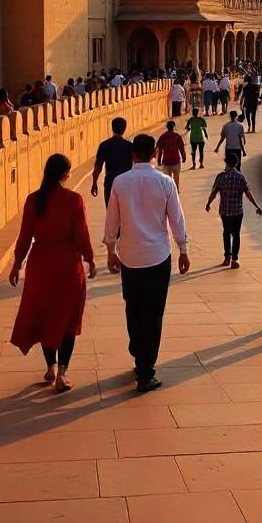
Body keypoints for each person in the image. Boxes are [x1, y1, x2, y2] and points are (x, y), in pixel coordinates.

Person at [103, 133, 190, 393]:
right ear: (154, 154)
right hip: (157, 257)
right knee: (153, 314)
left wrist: (110, 250)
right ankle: (145, 371)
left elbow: (111, 221)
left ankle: (138, 351)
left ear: (133, 155)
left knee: (133, 307)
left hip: (130, 256)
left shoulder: (120, 182)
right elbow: (177, 218)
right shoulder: (164, 182)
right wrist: (183, 249)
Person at [9, 153, 96, 393]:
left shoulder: (34, 200)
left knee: (45, 316)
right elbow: (81, 234)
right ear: (65, 174)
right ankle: (62, 374)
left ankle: (50, 366)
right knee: (67, 320)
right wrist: (90, 259)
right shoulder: (73, 199)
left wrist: (17, 264)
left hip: (40, 265)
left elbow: (25, 236)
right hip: (67, 265)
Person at [205, 152, 262, 267]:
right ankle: (234, 259)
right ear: (236, 163)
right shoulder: (240, 177)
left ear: (226, 163)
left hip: (225, 211)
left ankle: (227, 257)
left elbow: (214, 192)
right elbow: (248, 193)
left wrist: (208, 203)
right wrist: (257, 206)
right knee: (236, 234)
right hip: (237, 211)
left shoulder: (220, 177)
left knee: (226, 233)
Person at [91, 117, 134, 205]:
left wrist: (94, 182)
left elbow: (98, 166)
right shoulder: (130, 146)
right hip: (127, 183)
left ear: (112, 128)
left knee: (111, 211)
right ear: (124, 129)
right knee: (126, 211)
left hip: (110, 182)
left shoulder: (104, 145)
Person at [155, 120, 186, 188]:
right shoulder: (177, 136)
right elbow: (181, 148)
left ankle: (170, 191)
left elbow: (159, 149)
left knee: (168, 179)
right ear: (174, 127)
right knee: (176, 178)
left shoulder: (163, 136)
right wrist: (184, 157)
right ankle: (176, 189)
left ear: (167, 127)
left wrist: (159, 160)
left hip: (166, 161)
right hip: (176, 160)